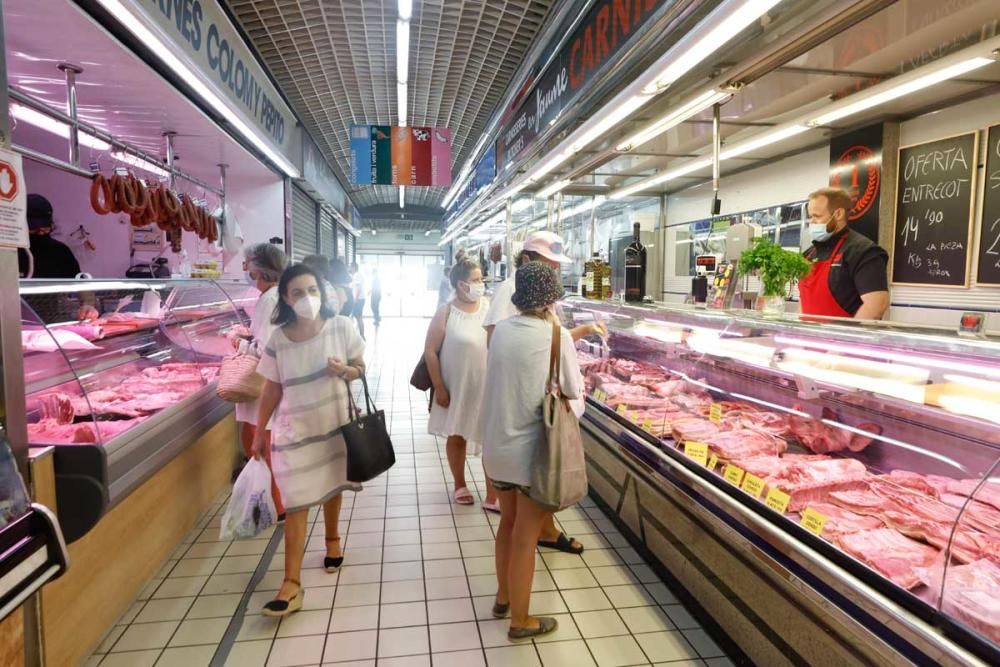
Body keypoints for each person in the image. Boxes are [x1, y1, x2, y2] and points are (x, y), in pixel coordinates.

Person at [481, 231, 605, 554]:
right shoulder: (510, 291)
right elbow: (499, 345)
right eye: (551, 264)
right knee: (520, 521)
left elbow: (550, 339)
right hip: (523, 420)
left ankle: (543, 537)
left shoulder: (533, 300)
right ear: (532, 259)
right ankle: (519, 591)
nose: (555, 270)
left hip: (512, 428)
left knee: (517, 518)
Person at [253, 264, 366, 617]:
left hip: (334, 424)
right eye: (298, 293)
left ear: (323, 293)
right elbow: (271, 387)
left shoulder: (341, 327)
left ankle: (332, 540)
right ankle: (291, 583)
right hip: (294, 432)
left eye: (312, 291)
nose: (307, 299)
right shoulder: (278, 340)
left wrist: (345, 371)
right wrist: (259, 431)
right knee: (297, 500)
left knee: (333, 485)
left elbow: (360, 367)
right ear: (285, 299)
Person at [481, 261, 584, 640]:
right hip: (530, 454)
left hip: (496, 448)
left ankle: (503, 597)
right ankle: (520, 620)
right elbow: (572, 389)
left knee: (506, 525)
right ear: (550, 301)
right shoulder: (557, 336)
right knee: (526, 535)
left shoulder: (502, 331)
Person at [424, 258, 489, 505]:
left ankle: (493, 492)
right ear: (461, 284)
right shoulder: (446, 312)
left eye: (480, 279)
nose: (480, 284)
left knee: (489, 437)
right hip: (456, 385)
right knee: (457, 433)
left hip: (486, 384)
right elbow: (430, 350)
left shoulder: (489, 307)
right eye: (476, 280)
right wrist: (439, 386)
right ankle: (460, 484)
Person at [234, 243, 287, 519]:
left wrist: (241, 344)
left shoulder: (269, 300)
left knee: (264, 444)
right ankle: (275, 502)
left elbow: (267, 347)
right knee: (265, 444)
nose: (247, 271)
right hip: (270, 383)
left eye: (249, 266)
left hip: (265, 384)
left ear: (261, 270)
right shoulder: (275, 296)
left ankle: (275, 505)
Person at [800, 187, 889, 320]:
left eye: (817, 216)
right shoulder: (809, 254)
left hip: (842, 338)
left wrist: (847, 336)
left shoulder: (863, 251)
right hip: (809, 337)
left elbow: (877, 304)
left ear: (838, 214)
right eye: (810, 217)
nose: (811, 222)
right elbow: (804, 301)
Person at [18, 194, 98, 321]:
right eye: (34, 229)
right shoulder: (8, 252)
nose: (40, 232)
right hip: (10, 322)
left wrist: (88, 305)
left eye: (44, 228)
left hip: (50, 320)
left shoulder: (59, 251)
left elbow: (80, 281)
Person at [350, 262, 366, 339]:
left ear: (354, 268)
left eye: (350, 267)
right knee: (357, 317)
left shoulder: (357, 275)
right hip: (360, 299)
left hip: (359, 299)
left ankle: (362, 335)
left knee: (358, 317)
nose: (349, 268)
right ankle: (360, 335)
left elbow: (358, 289)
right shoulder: (357, 275)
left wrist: (355, 300)